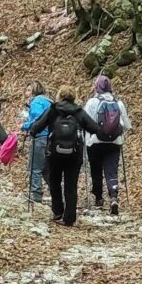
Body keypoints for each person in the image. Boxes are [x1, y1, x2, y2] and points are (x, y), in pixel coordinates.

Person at [24, 88, 98, 225]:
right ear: (73, 97)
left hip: (54, 153)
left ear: (60, 96)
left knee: (54, 181)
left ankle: (58, 212)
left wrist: (32, 132)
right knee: (71, 185)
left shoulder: (53, 109)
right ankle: (69, 218)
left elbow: (37, 127)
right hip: (74, 154)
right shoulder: (79, 112)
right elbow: (95, 129)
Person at [83, 75, 131, 215]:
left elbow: (86, 122)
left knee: (96, 170)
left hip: (95, 142)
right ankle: (114, 196)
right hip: (114, 142)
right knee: (112, 170)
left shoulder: (92, 102)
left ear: (97, 86)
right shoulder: (118, 103)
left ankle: (98, 198)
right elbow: (127, 125)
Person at [19, 84, 52, 204]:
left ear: (34, 92)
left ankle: (36, 194)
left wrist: (24, 125)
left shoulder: (37, 102)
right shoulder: (48, 101)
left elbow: (38, 120)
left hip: (40, 137)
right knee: (46, 169)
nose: (26, 93)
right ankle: (56, 191)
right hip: (50, 138)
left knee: (35, 167)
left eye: (28, 90)